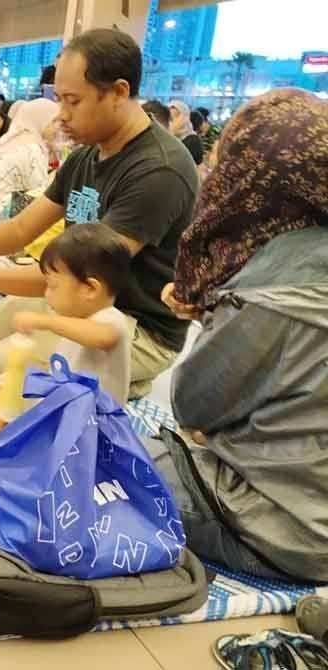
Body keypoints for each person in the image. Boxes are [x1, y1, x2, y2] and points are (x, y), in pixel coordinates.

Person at [0, 29, 199, 399]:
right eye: (58, 100)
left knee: (4, 363)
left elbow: (84, 275)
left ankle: (127, 376)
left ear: (118, 91)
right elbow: (21, 228)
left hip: (129, 322)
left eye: (72, 102)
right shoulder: (87, 154)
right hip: (69, 297)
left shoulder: (159, 171)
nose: (62, 116)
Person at [153, 88, 328, 581]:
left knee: (105, 450)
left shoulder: (271, 286)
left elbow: (194, 406)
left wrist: (211, 318)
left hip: (288, 531)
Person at [0, 224, 133, 445]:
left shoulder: (110, 319)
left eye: (53, 286)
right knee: (16, 374)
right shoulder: (76, 320)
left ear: (90, 289)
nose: (46, 294)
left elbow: (102, 337)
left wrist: (45, 321)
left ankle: (8, 428)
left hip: (94, 426)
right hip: (67, 405)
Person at [169, 100, 203, 165]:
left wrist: (171, 133)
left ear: (185, 118)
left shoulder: (193, 139)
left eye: (176, 117)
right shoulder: (167, 133)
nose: (173, 122)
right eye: (170, 119)